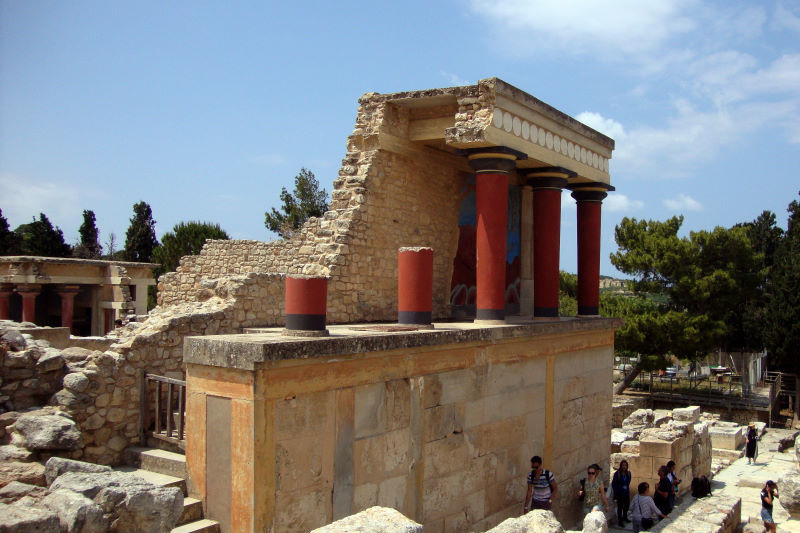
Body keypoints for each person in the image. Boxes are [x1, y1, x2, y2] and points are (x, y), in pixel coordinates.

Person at [612, 459, 632, 525]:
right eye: (623, 465)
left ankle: (625, 517)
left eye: (625, 465)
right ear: (621, 466)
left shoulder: (628, 474)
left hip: (626, 493)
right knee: (620, 507)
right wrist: (616, 492)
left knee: (626, 506)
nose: (624, 467)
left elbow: (628, 482)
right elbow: (614, 484)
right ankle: (620, 520)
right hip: (619, 493)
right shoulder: (617, 474)